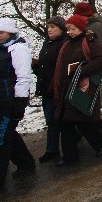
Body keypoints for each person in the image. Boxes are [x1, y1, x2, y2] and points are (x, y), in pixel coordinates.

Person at [52, 15, 102, 166]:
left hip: (82, 88)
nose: (70, 32)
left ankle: (100, 142)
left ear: (81, 29)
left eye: (73, 29)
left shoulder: (89, 41)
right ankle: (69, 156)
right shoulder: (66, 44)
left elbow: (100, 60)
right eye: (68, 29)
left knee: (82, 121)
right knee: (66, 122)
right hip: (67, 87)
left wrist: (81, 71)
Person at [0, 18, 35, 192]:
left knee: (0, 139)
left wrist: (20, 102)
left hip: (9, 102)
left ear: (10, 32)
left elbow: (23, 77)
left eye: (2, 33)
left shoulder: (18, 49)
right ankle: (26, 162)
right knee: (6, 133)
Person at [33, 16, 67, 162]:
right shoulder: (47, 43)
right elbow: (45, 66)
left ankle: (52, 150)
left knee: (53, 120)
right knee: (51, 119)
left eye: (53, 27)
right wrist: (36, 66)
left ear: (61, 29)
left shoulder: (64, 44)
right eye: (48, 27)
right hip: (45, 87)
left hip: (55, 89)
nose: (50, 30)